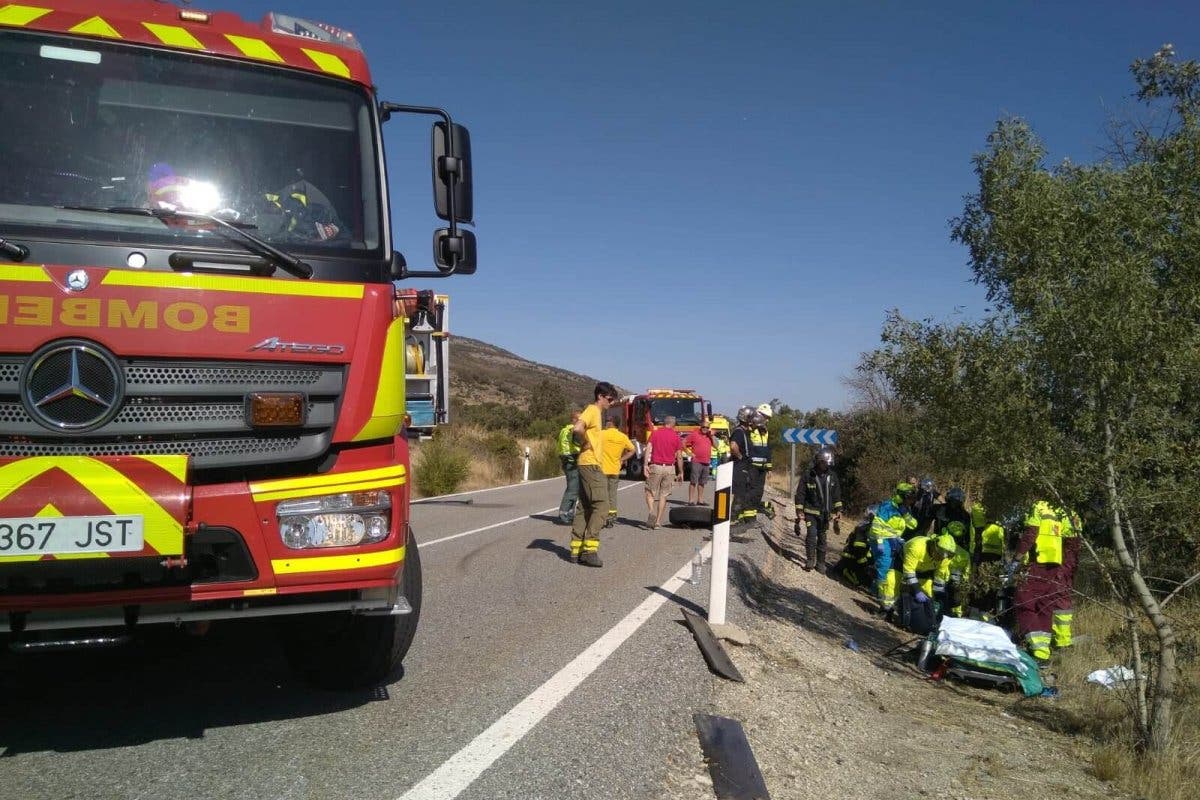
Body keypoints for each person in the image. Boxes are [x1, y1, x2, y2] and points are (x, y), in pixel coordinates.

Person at [1012, 501, 1068, 664]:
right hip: (1054, 563)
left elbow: (1031, 533)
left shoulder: (1038, 507)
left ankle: (1037, 648)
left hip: (1039, 559)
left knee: (1024, 601)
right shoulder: (1058, 510)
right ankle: (1043, 652)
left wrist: (1017, 557)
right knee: (1044, 605)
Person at [570, 382, 619, 567]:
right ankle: (590, 550)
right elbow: (577, 428)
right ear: (600, 396)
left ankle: (576, 550)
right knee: (602, 505)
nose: (611, 402)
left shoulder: (596, 413)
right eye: (609, 399)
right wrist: (584, 442)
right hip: (590, 464)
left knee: (585, 506)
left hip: (586, 463)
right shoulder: (592, 410)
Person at [869, 481, 918, 616]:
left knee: (894, 573)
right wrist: (879, 542)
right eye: (909, 498)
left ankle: (888, 603)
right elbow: (877, 524)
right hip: (882, 540)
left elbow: (913, 525)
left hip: (894, 541)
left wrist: (905, 514)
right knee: (884, 570)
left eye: (912, 499)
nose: (911, 501)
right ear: (902, 496)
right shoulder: (887, 506)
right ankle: (884, 605)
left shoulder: (905, 509)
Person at [793, 446, 842, 574]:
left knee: (822, 538)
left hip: (825, 514)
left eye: (828, 464)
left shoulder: (833, 476)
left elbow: (836, 495)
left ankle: (820, 564)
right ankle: (810, 561)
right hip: (810, 512)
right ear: (819, 461)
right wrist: (799, 510)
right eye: (824, 463)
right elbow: (800, 494)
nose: (826, 466)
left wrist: (838, 510)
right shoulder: (808, 475)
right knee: (811, 535)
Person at [643, 415, 684, 529]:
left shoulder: (655, 433)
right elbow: (679, 457)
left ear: (664, 423)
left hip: (656, 466)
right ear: (673, 424)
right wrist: (681, 472)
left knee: (649, 491)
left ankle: (651, 511)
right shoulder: (676, 437)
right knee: (663, 495)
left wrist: (645, 464)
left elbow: (648, 448)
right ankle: (657, 522)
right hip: (670, 468)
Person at [600, 417, 635, 528]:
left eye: (606, 422)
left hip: (601, 469)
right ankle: (612, 516)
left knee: (601, 494)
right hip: (615, 469)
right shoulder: (622, 437)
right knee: (612, 494)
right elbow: (632, 450)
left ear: (610, 423)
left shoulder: (601, 434)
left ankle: (601, 516)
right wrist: (622, 459)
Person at [729, 406, 758, 524]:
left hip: (745, 467)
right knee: (739, 494)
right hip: (740, 467)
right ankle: (732, 519)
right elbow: (733, 446)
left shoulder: (745, 431)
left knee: (743, 493)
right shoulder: (738, 431)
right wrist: (740, 457)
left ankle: (738, 519)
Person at [747, 404, 774, 518]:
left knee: (758, 492)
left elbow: (767, 449)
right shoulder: (751, 429)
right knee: (751, 491)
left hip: (762, 467)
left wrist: (769, 468)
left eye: (768, 418)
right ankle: (747, 517)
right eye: (765, 417)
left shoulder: (765, 431)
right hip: (752, 466)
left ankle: (752, 515)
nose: (767, 420)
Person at [556, 410, 582, 525]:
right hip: (572, 460)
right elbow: (577, 445)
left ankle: (570, 513)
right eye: (580, 420)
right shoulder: (573, 429)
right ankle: (564, 513)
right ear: (575, 420)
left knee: (574, 488)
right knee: (572, 488)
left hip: (566, 460)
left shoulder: (564, 430)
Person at [683, 420, 715, 505]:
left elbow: (716, 445)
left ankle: (700, 500)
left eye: (707, 427)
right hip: (696, 461)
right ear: (701, 427)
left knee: (702, 482)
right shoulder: (694, 435)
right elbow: (683, 442)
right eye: (704, 427)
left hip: (706, 462)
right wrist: (688, 452)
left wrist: (712, 435)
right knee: (693, 481)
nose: (705, 429)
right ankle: (691, 500)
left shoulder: (709, 436)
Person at [935, 487, 972, 551]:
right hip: (941, 542)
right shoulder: (940, 509)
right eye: (953, 500)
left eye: (957, 501)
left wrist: (966, 547)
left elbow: (966, 534)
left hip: (957, 545)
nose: (955, 503)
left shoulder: (965, 515)